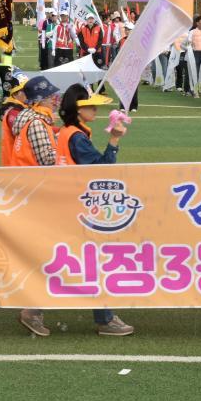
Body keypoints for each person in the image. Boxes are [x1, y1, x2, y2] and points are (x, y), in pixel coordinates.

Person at [56, 84, 135, 336]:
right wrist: (114, 140)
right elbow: (102, 170)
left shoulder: (69, 133)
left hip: (67, 204)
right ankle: (105, 319)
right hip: (79, 209)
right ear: (78, 111)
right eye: (90, 105)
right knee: (96, 262)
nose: (95, 109)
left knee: (61, 261)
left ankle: (31, 310)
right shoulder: (77, 137)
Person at [10, 76, 65, 337]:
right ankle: (31, 310)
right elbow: (47, 160)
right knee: (41, 256)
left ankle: (32, 307)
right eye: (51, 96)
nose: (55, 100)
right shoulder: (36, 124)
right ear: (40, 100)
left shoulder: (28, 120)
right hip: (35, 195)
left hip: (25, 193)